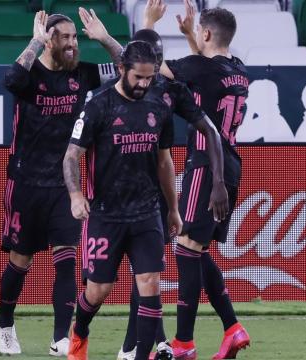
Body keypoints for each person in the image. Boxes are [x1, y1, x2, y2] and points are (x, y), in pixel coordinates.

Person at [64, 40, 226, 360]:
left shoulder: (159, 104)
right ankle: (79, 331)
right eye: (138, 77)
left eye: (149, 78)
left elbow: (165, 161)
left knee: (150, 285)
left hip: (146, 213)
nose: (144, 84)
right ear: (122, 69)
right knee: (98, 291)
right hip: (105, 214)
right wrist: (75, 195)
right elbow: (71, 156)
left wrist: (174, 209)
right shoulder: (98, 104)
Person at [0, 9, 122, 356]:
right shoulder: (29, 75)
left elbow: (132, 68)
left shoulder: (83, 74)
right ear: (49, 40)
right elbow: (10, 79)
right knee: (20, 261)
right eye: (65, 37)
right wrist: (35, 40)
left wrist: (104, 38)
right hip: (24, 182)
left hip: (65, 183)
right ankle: (5, 325)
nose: (72, 43)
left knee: (67, 258)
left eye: (75, 37)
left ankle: (60, 338)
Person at [147, 2, 251, 358]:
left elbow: (147, 64)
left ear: (207, 34)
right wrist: (192, 35)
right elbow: (205, 71)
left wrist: (149, 24)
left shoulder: (201, 68)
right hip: (231, 164)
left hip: (207, 166)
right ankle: (233, 328)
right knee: (198, 251)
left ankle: (183, 343)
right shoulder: (237, 69)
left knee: (185, 249)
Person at [117, 27, 228, 360]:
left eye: (158, 60)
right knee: (115, 281)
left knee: (147, 272)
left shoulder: (168, 91)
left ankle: (147, 344)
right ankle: (141, 342)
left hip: (154, 193)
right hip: (122, 193)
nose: (151, 71)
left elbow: (204, 127)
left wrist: (173, 204)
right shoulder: (128, 90)